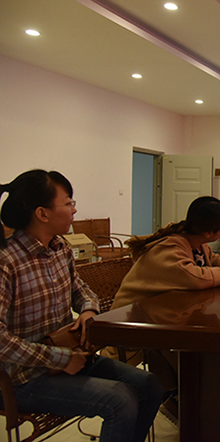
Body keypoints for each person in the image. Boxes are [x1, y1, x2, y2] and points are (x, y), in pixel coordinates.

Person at [0, 170, 162, 442]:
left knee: (150, 384)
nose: (74, 209)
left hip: (70, 357)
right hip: (24, 378)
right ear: (42, 213)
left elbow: (81, 289)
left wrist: (88, 309)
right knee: (120, 400)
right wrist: (61, 359)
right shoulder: (7, 262)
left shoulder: (59, 248)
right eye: (68, 203)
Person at [112, 196, 220, 309]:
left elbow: (212, 259)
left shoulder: (198, 244)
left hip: (162, 309)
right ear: (208, 232)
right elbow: (194, 278)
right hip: (130, 316)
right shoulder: (170, 248)